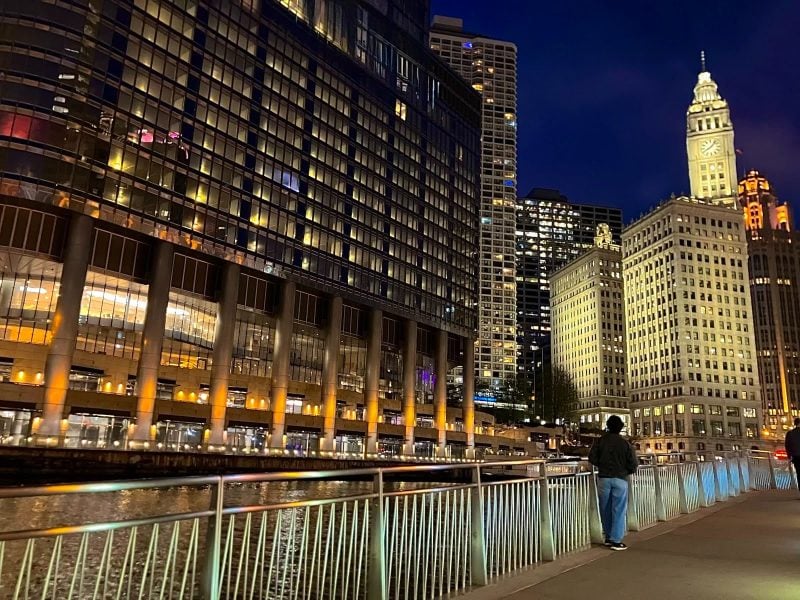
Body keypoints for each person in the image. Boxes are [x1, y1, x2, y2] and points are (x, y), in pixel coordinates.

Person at [588, 415, 638, 551]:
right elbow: (633, 464)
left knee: (605, 509)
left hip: (604, 478)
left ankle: (608, 537)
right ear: (621, 428)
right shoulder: (625, 443)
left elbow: (592, 457)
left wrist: (601, 464)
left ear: (608, 426)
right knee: (619, 509)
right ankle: (616, 540)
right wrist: (625, 470)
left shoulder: (600, 441)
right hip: (620, 479)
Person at [785, 417, 800, 489]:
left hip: (796, 457)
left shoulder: (790, 433)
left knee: (799, 474)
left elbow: (787, 445)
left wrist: (789, 456)